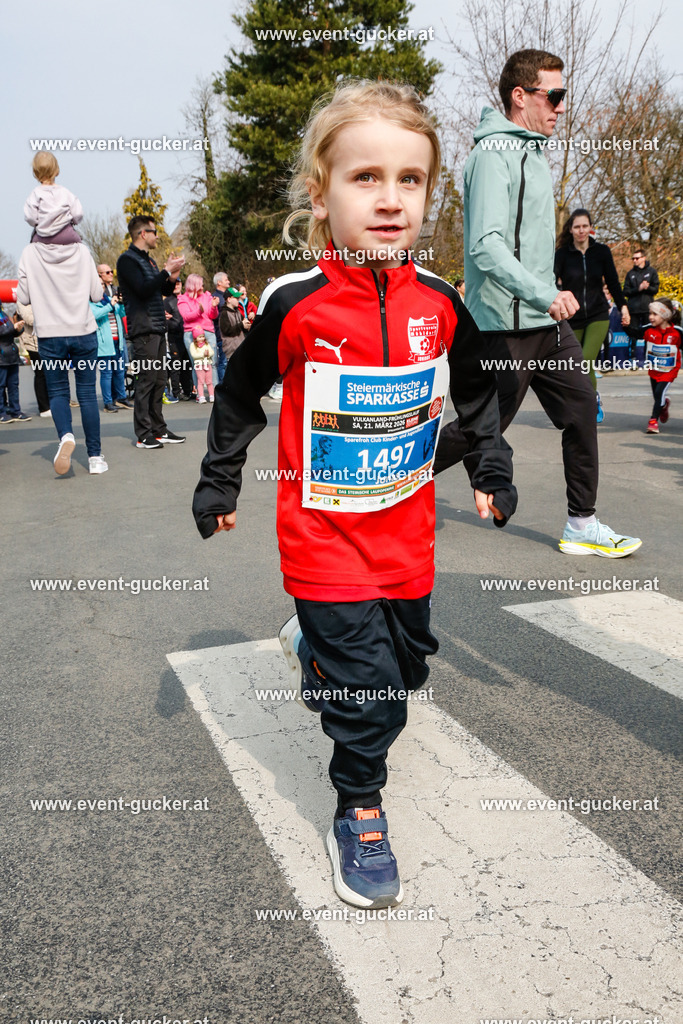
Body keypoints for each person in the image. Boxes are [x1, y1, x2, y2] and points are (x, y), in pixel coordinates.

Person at [193, 79, 517, 909]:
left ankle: (311, 650)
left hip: (405, 536)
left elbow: (478, 392)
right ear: (321, 193)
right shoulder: (294, 305)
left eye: (409, 180)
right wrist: (219, 478)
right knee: (372, 701)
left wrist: (489, 470)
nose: (388, 199)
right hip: (322, 538)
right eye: (364, 177)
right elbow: (236, 394)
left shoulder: (440, 303)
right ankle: (359, 807)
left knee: (403, 671)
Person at [434, 48, 641, 558]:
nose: (562, 106)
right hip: (504, 326)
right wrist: (545, 292)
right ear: (519, 96)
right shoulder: (491, 156)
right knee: (481, 427)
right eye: (555, 95)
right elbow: (486, 244)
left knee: (581, 409)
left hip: (547, 326)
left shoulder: (534, 153)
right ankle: (389, 478)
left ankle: (582, 522)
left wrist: (548, 298)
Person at [17, 223, 107, 474]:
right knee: (87, 394)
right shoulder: (81, 250)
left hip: (50, 333)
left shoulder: (29, 253)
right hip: (82, 330)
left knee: (57, 392)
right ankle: (95, 458)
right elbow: (97, 295)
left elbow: (23, 297)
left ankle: (66, 435)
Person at [554, 208, 630, 422]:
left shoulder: (602, 252)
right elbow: (551, 281)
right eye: (577, 227)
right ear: (571, 229)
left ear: (590, 228)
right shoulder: (562, 254)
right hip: (573, 316)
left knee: (585, 360)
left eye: (585, 226)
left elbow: (613, 281)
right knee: (573, 365)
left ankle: (591, 402)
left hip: (598, 314)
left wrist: (623, 306)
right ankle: (577, 402)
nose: (581, 230)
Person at [116, 216, 186, 449]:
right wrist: (165, 271)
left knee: (159, 380)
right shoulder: (127, 261)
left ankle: (159, 429)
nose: (158, 236)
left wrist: (172, 274)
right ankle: (143, 433)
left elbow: (162, 289)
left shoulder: (151, 262)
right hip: (143, 328)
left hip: (157, 327)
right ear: (142, 234)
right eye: (154, 231)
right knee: (146, 381)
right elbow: (144, 289)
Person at [24, 151, 83, 244]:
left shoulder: (35, 194)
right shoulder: (65, 192)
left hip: (42, 237)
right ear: (57, 171)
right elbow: (78, 214)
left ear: (35, 173)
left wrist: (36, 223)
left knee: (29, 251)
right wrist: (74, 221)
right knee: (82, 250)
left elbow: (30, 217)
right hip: (66, 234)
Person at [644, 299, 681, 434]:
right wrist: (626, 323)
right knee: (657, 396)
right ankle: (663, 405)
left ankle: (653, 421)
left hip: (669, 370)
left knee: (659, 392)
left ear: (664, 315)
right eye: (650, 313)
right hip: (654, 369)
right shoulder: (648, 329)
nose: (651, 317)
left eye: (655, 314)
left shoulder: (677, 332)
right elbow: (634, 332)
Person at [177, 274, 219, 383]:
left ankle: (214, 391)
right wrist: (199, 311)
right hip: (191, 333)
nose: (203, 287)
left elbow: (213, 316)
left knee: (212, 362)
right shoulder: (183, 299)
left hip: (208, 332)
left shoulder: (207, 296)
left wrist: (214, 307)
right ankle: (199, 392)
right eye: (201, 285)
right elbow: (186, 316)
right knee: (196, 363)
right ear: (194, 285)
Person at [14, 300, 50, 416]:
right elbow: (29, 319)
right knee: (40, 373)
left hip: (48, 340)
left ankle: (52, 403)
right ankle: (44, 408)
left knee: (51, 372)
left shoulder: (43, 295)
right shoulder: (22, 301)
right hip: (33, 343)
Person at [624, 248, 659, 364]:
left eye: (637, 258)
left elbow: (655, 289)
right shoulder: (630, 273)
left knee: (649, 335)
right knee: (633, 335)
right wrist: (638, 289)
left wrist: (647, 288)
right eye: (633, 258)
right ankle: (632, 359)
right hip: (633, 309)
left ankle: (648, 359)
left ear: (643, 258)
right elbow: (625, 291)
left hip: (647, 309)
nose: (635, 260)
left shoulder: (652, 271)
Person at [0, 303, 31, 424]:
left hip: (11, 355)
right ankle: (1, 412)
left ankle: (16, 411)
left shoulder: (4, 314)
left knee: (13, 385)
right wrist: (13, 328)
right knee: (1, 386)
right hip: (2, 357)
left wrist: (18, 329)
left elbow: (11, 332)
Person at [164, 279, 194, 401]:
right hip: (174, 338)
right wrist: (174, 322)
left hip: (187, 336)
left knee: (187, 365)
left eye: (179, 283)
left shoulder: (186, 299)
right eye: (174, 284)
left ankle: (188, 391)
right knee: (176, 366)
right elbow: (165, 321)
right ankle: (176, 392)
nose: (177, 286)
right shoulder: (167, 301)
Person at [218, 288, 250, 367]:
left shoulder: (238, 312)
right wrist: (241, 325)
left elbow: (242, 326)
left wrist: (247, 326)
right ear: (229, 299)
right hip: (231, 350)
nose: (238, 300)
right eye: (236, 298)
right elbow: (227, 331)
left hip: (240, 347)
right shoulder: (224, 314)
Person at [211, 272, 231, 383]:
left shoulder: (228, 296)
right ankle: (223, 386)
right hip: (220, 335)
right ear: (219, 282)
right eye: (226, 279)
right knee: (222, 363)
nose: (228, 281)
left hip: (231, 334)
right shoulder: (215, 297)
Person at [189, 328, 214, 403]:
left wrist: (208, 354)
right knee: (201, 381)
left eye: (203, 336)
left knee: (209, 381)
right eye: (200, 337)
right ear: (195, 338)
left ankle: (212, 395)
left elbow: (212, 352)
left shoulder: (206, 344)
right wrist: (203, 354)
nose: (202, 338)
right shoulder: (193, 345)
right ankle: (201, 397)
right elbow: (194, 355)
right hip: (199, 365)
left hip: (207, 363)